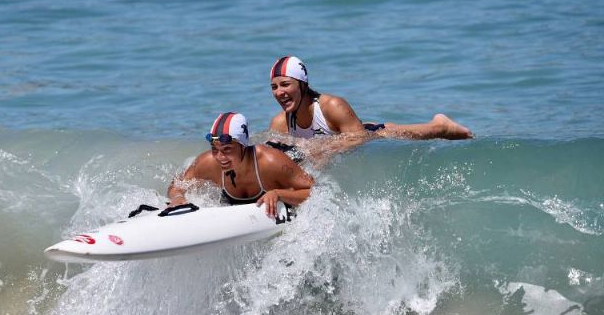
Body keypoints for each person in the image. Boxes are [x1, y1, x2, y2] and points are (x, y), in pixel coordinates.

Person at [268, 56, 473, 147]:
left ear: (302, 85)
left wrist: (325, 149)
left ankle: (442, 125)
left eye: (285, 84)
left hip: (372, 135)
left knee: (415, 134)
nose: (279, 92)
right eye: (274, 87)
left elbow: (360, 139)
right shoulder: (280, 123)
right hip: (348, 132)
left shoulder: (331, 106)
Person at [167, 112, 314, 217]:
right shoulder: (208, 163)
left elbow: (314, 191)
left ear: (243, 146)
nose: (220, 157)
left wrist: (279, 194)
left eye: (227, 149)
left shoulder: (271, 162)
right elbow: (177, 185)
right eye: (215, 149)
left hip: (287, 156)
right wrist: (177, 198)